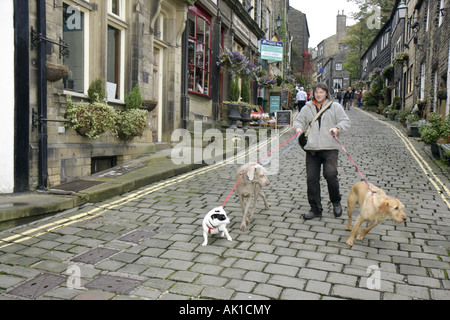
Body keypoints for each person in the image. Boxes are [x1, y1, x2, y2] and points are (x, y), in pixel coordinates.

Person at [293, 82, 351, 220]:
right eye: (316, 92)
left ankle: (336, 201)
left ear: (326, 93)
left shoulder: (335, 107)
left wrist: (337, 128)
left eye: (321, 92)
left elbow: (345, 121)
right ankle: (315, 208)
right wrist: (298, 128)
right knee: (312, 179)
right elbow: (298, 121)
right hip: (312, 149)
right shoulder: (307, 107)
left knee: (330, 175)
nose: (319, 94)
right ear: (313, 93)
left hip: (330, 147)